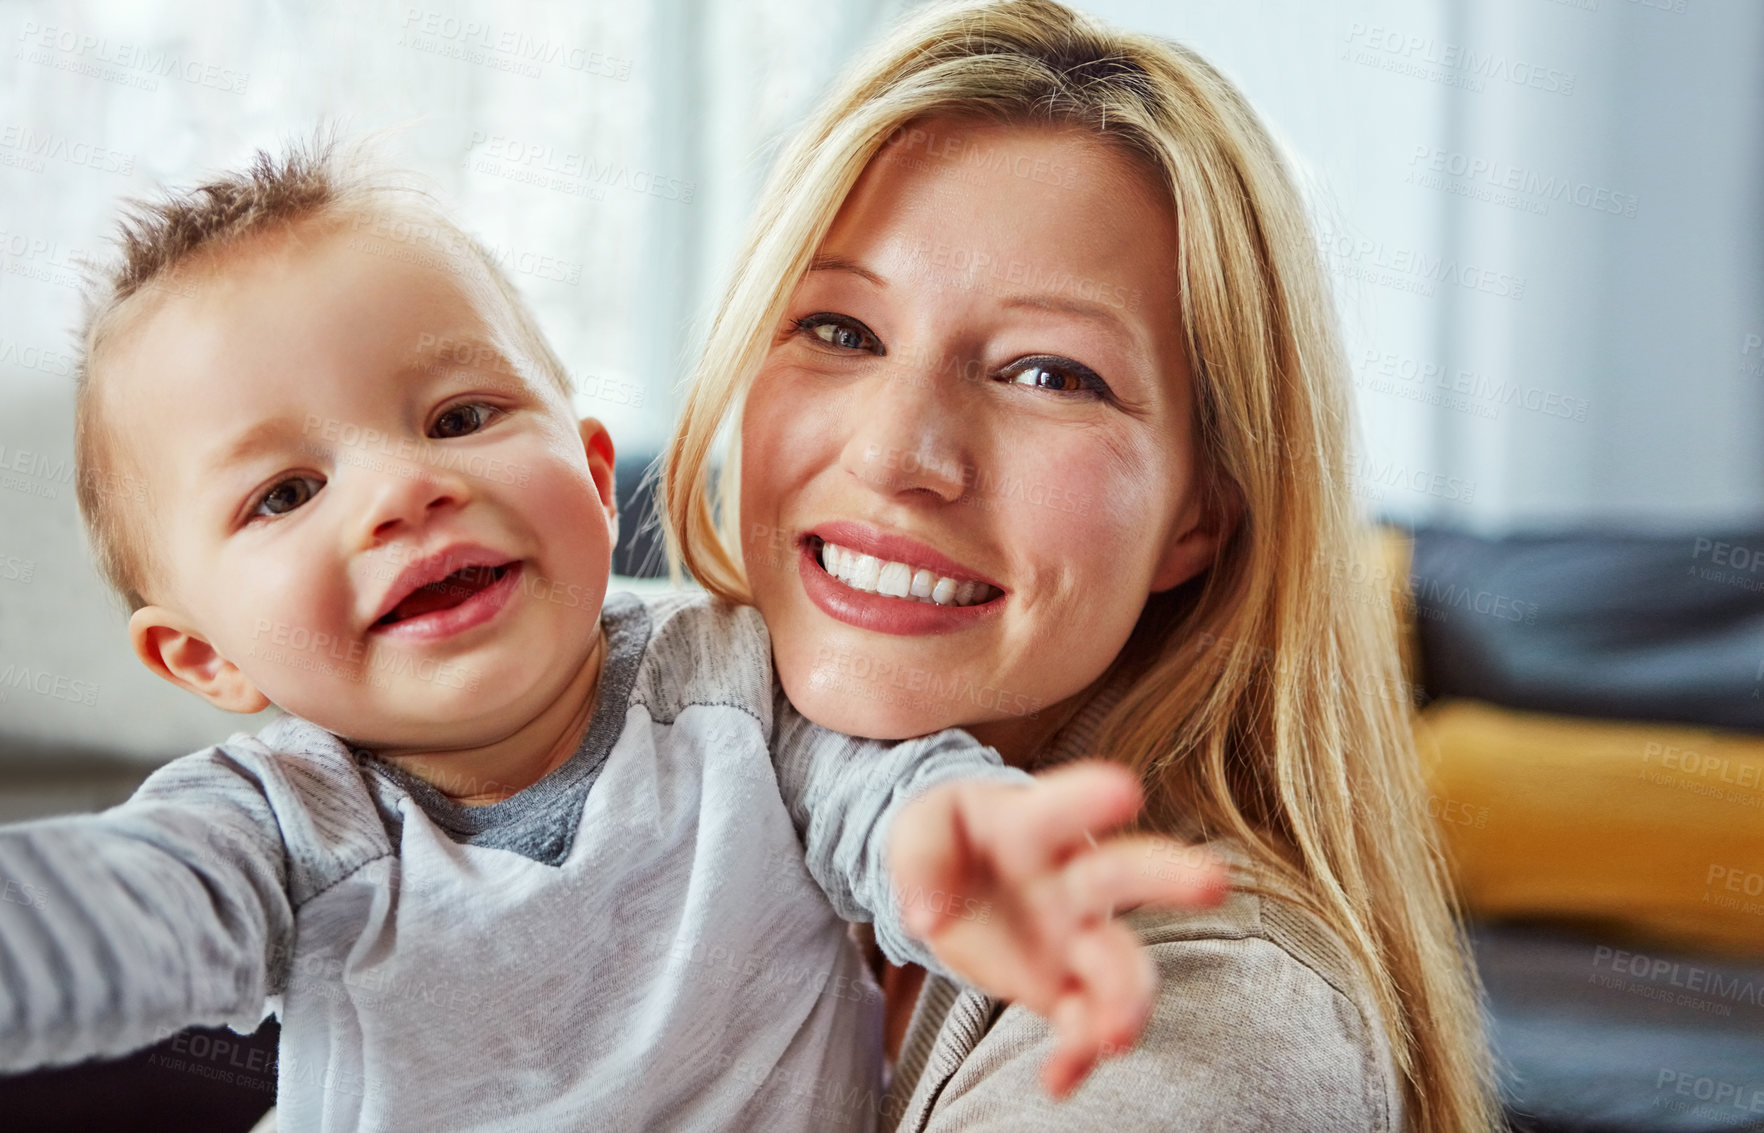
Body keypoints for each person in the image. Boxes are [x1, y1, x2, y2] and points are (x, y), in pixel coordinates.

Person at [0, 142, 1226, 1131]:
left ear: (593, 476)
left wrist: (961, 843)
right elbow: (116, 913)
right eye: (283, 493)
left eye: (461, 413)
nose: (399, 491)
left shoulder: (734, 683)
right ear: (202, 656)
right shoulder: (274, 825)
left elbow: (887, 801)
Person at [662, 0, 1501, 1129]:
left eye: (1050, 373)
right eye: (842, 330)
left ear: (1202, 512)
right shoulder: (635, 758)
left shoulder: (1208, 1017)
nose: (897, 454)